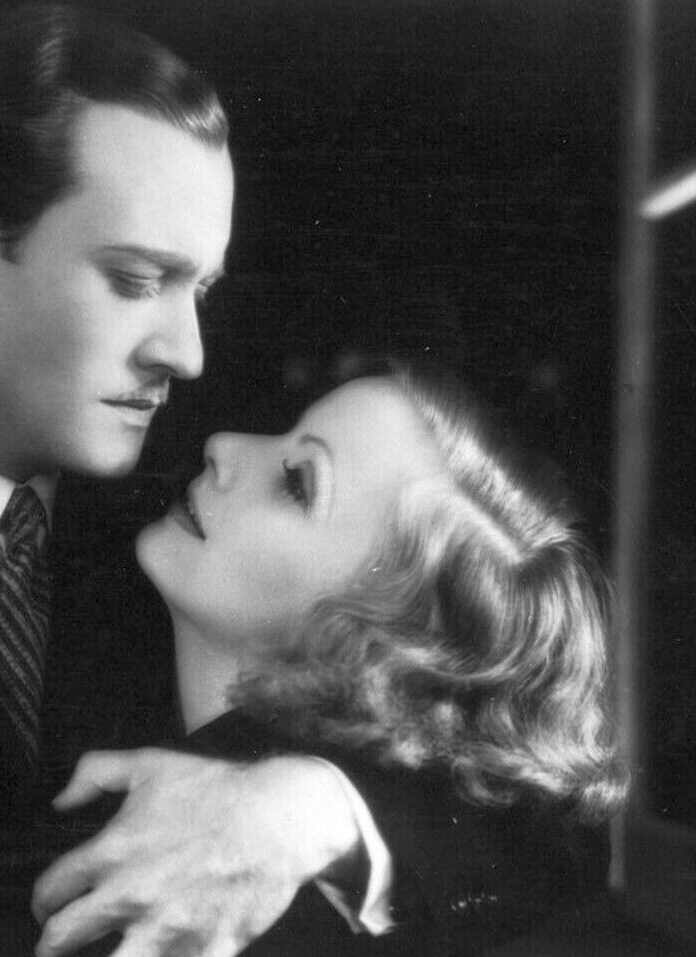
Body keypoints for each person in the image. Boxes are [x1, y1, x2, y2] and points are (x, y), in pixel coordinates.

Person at [0, 5, 608, 955]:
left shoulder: (181, 545)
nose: (188, 356)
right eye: (132, 280)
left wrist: (319, 810)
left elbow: (551, 814)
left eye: (198, 289)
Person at [30, 366, 626, 955]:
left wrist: (314, 810)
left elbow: (557, 845)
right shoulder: (68, 631)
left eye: (297, 483)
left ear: (384, 639)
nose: (223, 445)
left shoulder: (343, 902)